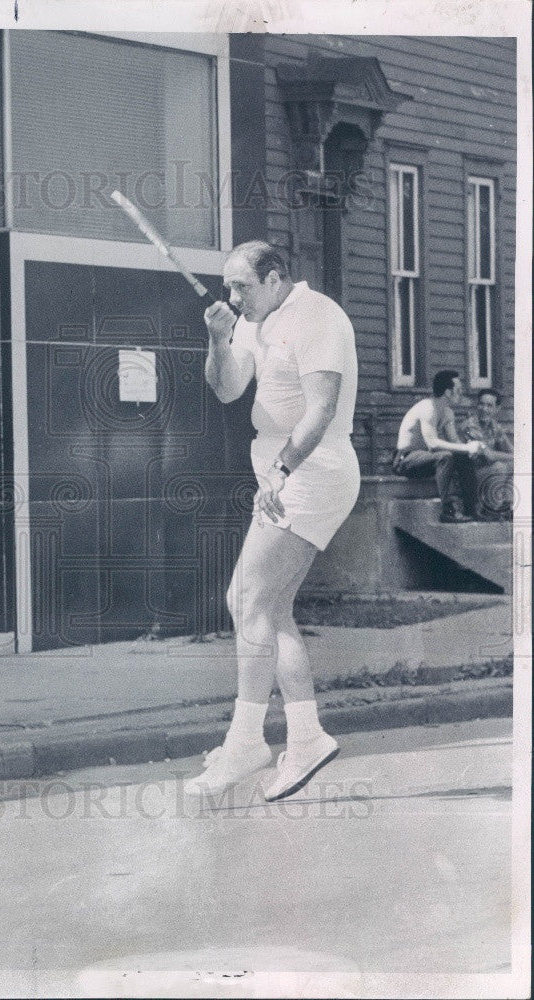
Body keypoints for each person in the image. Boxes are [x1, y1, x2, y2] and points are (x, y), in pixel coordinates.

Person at [184, 241, 359, 802]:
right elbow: (228, 387)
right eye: (229, 287)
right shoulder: (255, 321)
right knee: (269, 607)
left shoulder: (319, 316)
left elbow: (322, 408)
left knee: (247, 598)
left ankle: (245, 741)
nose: (233, 298)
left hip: (314, 468)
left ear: (277, 278)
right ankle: (306, 738)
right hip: (279, 471)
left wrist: (283, 470)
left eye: (243, 287)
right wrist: (217, 339)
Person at [392, 371, 485, 522]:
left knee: (463, 456)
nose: (461, 394)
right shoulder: (428, 407)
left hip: (426, 459)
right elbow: (433, 444)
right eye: (458, 390)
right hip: (405, 460)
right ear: (448, 392)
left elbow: (456, 442)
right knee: (446, 456)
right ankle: (446, 510)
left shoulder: (447, 412)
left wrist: (473, 449)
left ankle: (472, 508)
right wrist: (467, 447)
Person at [459, 388, 514, 519]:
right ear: (477, 405)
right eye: (481, 404)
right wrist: (516, 458)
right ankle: (490, 509)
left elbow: (510, 449)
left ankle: (504, 505)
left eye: (489, 405)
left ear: (497, 409)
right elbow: (489, 455)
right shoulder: (470, 426)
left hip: (486, 473)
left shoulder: (494, 425)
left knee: (514, 466)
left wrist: (516, 458)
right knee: (500, 467)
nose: (484, 409)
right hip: (469, 476)